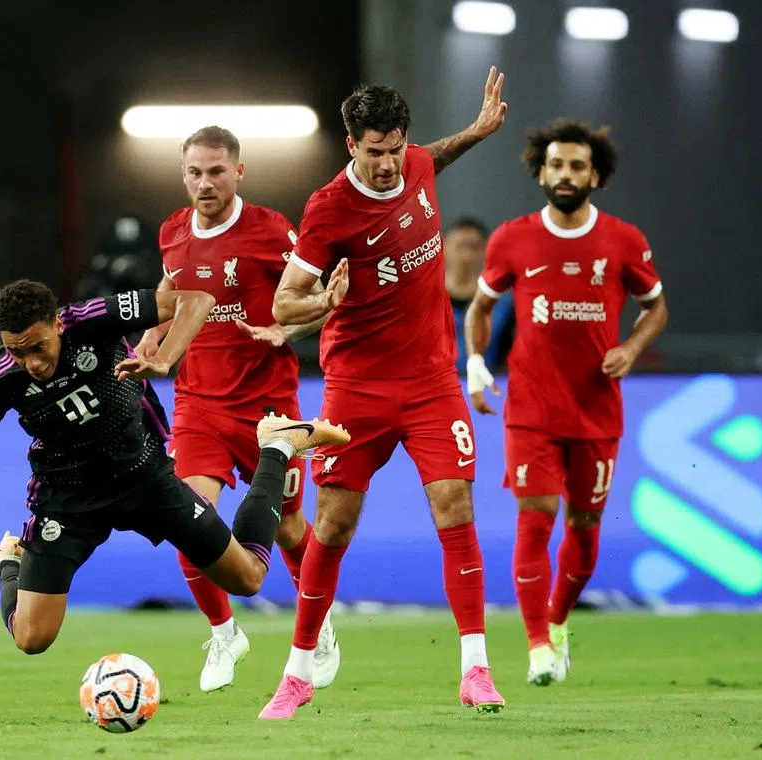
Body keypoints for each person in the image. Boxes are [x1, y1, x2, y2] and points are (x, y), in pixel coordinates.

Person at [258, 67, 510, 720]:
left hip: (431, 383)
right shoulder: (328, 209)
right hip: (357, 388)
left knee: (454, 505)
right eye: (374, 152)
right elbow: (284, 303)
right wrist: (326, 297)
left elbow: (436, 156)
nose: (388, 164)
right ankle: (299, 673)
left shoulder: (417, 166)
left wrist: (479, 131)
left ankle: (476, 669)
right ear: (351, 147)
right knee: (335, 522)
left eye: (396, 148)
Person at [0, 279, 349, 656]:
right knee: (31, 639)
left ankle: (276, 445)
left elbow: (196, 300)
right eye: (18, 353)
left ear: (57, 324)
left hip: (145, 477)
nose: (32, 364)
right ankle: (7, 560)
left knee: (248, 578)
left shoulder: (92, 320)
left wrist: (165, 357)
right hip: (67, 501)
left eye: (37, 347)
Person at [463, 119, 669, 686]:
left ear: (595, 176)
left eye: (577, 166)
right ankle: (536, 648)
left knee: (584, 528)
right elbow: (480, 308)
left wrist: (630, 348)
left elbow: (656, 308)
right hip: (531, 407)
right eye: (556, 164)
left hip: (597, 410)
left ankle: (556, 623)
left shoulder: (624, 241)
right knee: (536, 519)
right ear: (541, 171)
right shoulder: (512, 238)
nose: (565, 174)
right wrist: (477, 368)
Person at [134, 125, 338, 693]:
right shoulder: (173, 231)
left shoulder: (273, 231)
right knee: (187, 521)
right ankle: (225, 634)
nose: (205, 182)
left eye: (216, 171)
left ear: (239, 172)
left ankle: (316, 625)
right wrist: (154, 331)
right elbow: (172, 292)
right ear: (183, 175)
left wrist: (286, 326)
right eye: (195, 172)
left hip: (268, 408)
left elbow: (323, 300)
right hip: (198, 404)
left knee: (293, 527)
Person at [444, 217, 514, 372]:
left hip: (490, 390)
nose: (466, 255)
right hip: (437, 388)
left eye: (474, 247)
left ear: (486, 250)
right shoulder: (424, 302)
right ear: (443, 247)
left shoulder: (503, 306)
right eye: (460, 246)